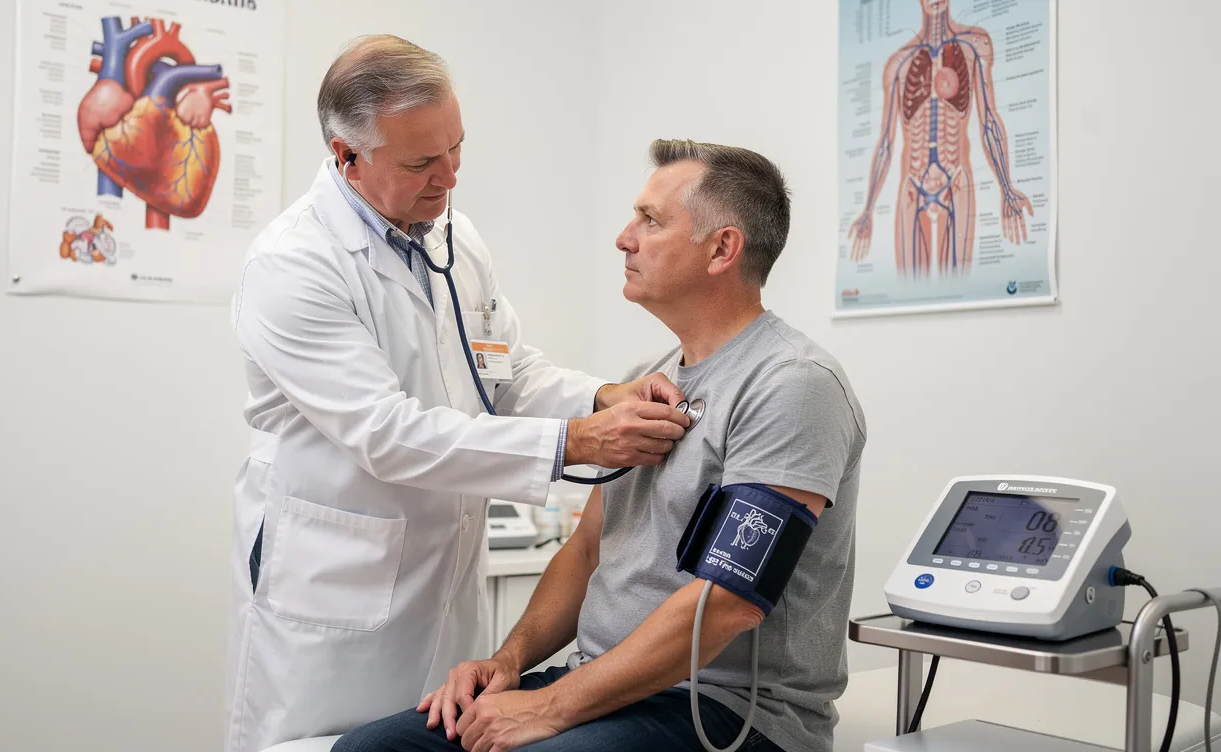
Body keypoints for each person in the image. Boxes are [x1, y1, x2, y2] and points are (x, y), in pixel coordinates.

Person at [226, 36, 691, 752]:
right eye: (420, 162)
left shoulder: (454, 238)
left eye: (456, 148)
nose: (448, 176)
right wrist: (573, 444)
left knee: (443, 738)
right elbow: (385, 431)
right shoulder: (294, 265)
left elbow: (504, 372)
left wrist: (602, 395)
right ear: (347, 155)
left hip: (441, 573)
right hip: (336, 580)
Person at [336, 140, 867, 752]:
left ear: (723, 248)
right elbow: (588, 548)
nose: (624, 238)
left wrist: (549, 708)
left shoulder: (792, 385)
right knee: (371, 750)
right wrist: (509, 665)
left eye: (650, 220)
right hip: (604, 686)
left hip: (724, 710)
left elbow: (728, 604)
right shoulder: (653, 375)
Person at [847, 0, 1031, 275]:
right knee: (908, 289)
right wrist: (867, 209)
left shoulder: (974, 44)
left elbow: (988, 121)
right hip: (912, 186)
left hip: (955, 179)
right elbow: (886, 141)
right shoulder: (899, 62)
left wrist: (1006, 188)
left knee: (958, 286)